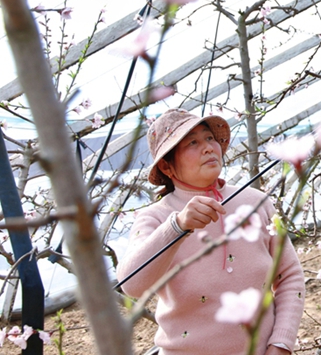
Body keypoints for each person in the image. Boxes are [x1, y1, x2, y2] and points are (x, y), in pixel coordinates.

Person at [116, 108, 305, 355]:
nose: (208, 147)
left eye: (209, 138)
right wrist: (178, 227)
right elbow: (131, 284)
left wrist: (281, 345)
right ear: (166, 165)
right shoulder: (155, 217)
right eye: (192, 142)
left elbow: (290, 276)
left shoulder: (259, 202)